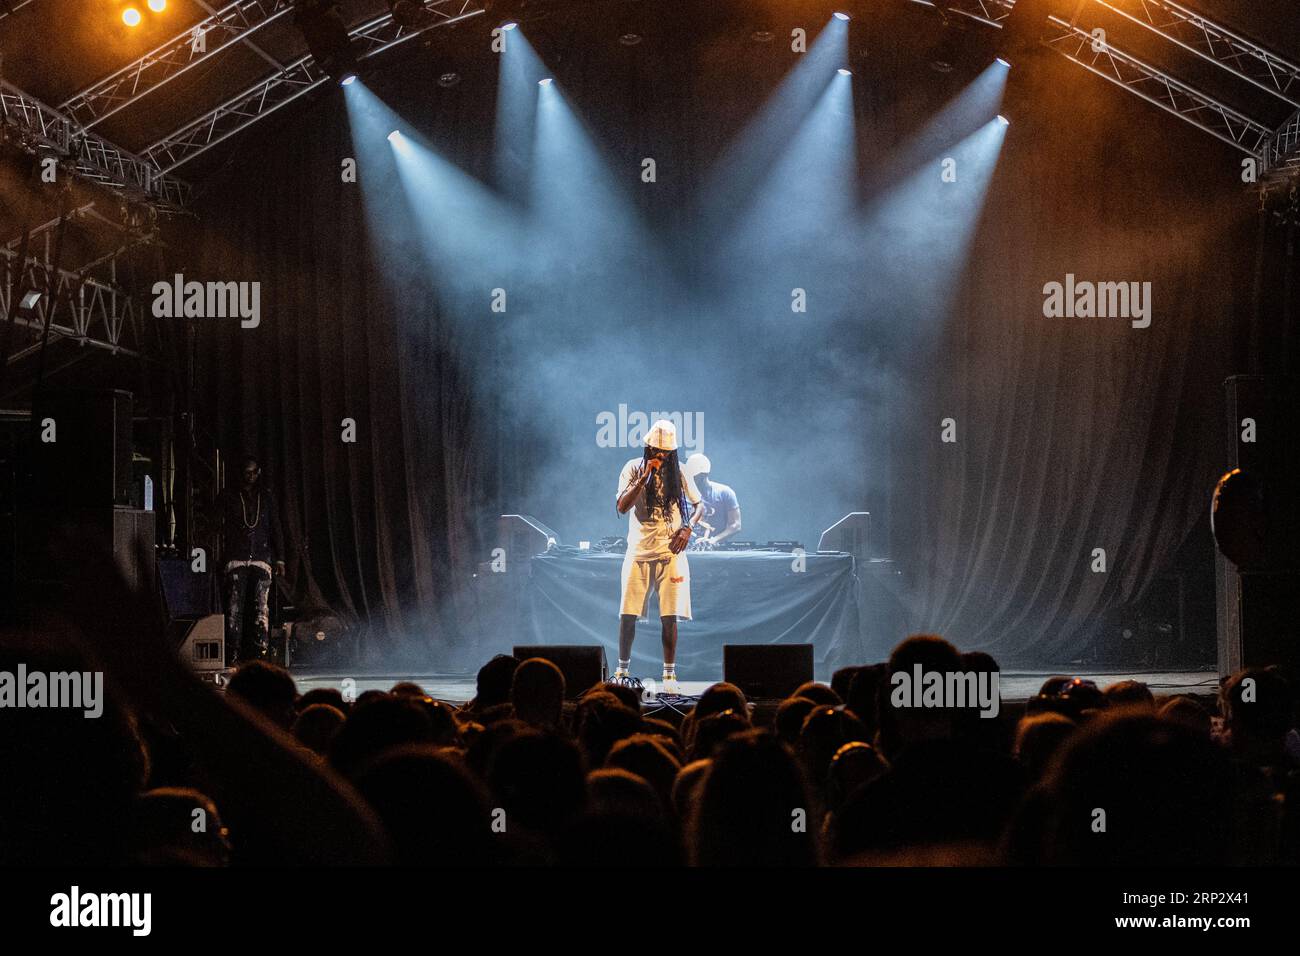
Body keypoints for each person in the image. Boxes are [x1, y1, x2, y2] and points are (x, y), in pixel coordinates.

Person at [614, 420, 704, 694]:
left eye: (665, 453)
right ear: (647, 448)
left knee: (669, 616)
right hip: (639, 550)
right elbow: (621, 506)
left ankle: (669, 675)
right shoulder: (632, 468)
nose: (660, 457)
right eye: (656, 451)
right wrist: (644, 477)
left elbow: (699, 504)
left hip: (670, 552)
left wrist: (688, 528)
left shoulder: (680, 471)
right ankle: (622, 670)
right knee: (628, 614)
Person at [216, 454, 286, 668]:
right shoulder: (228, 496)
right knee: (234, 608)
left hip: (261, 558)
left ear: (259, 473)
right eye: (247, 472)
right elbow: (215, 524)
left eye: (254, 472)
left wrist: (280, 559)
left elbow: (276, 528)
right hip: (236, 557)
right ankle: (233, 655)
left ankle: (261, 655)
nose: (250, 476)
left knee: (261, 609)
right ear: (240, 473)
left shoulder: (266, 497)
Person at [683, 453, 741, 549]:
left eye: (694, 475)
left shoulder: (725, 492)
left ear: (704, 474)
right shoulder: (681, 494)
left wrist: (714, 540)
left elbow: (736, 525)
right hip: (686, 549)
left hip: (716, 550)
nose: (690, 478)